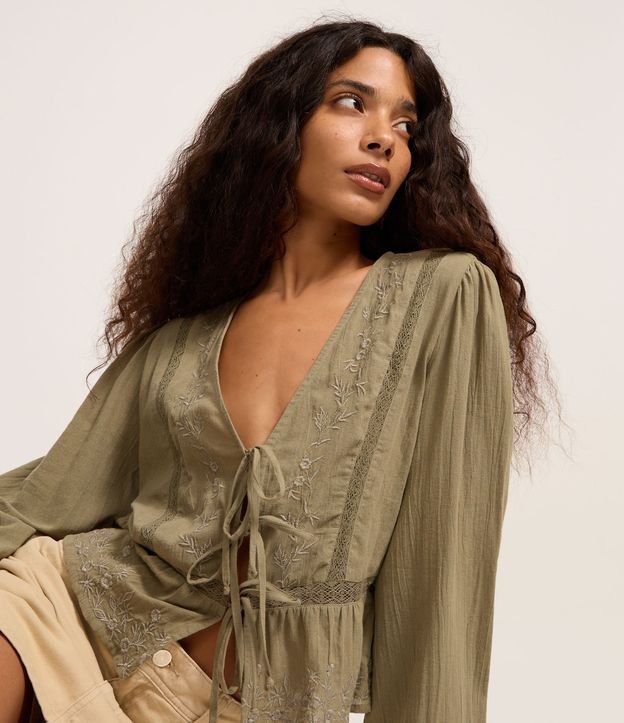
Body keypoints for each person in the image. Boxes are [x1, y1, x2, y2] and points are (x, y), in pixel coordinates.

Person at [0, 17, 554, 723]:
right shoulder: (185, 337)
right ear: (282, 123)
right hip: (72, 620)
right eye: (352, 102)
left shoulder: (441, 296)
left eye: (406, 125)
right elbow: (49, 494)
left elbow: (443, 572)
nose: (384, 138)